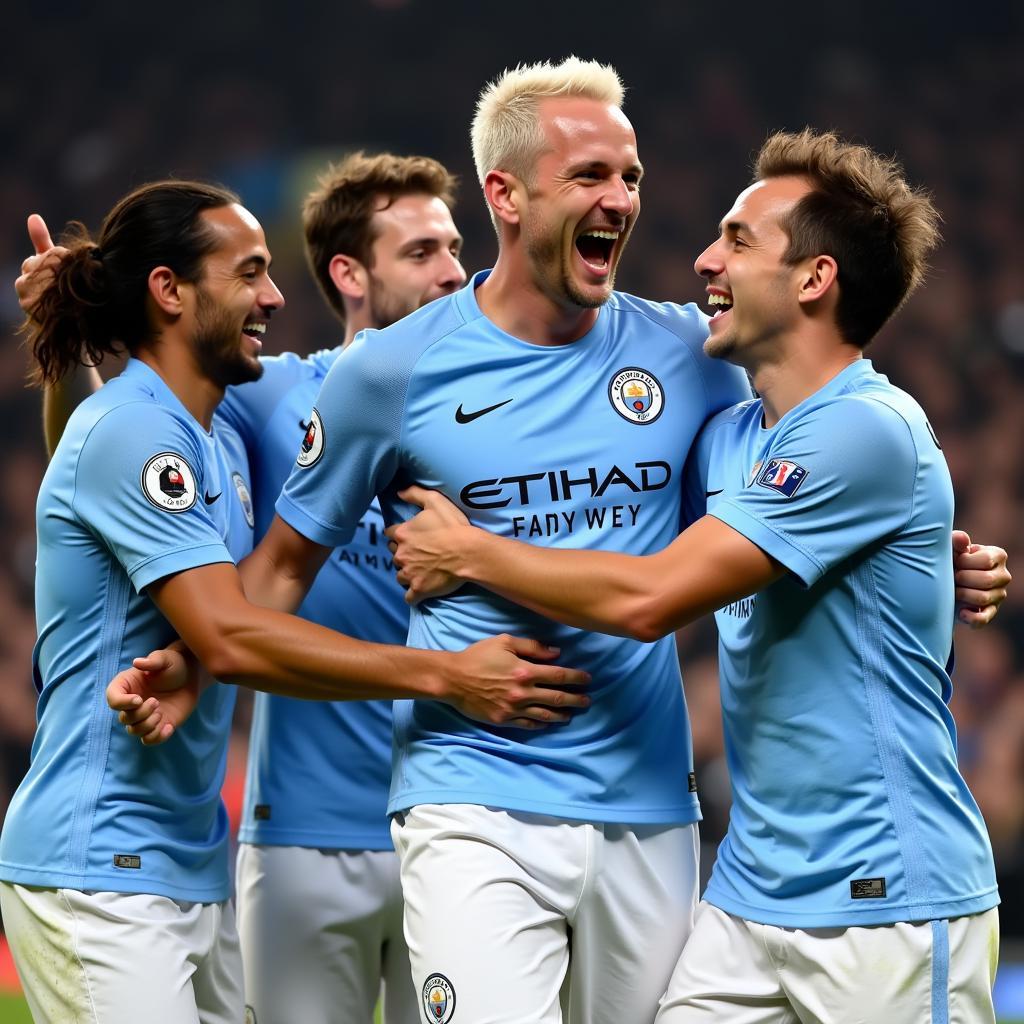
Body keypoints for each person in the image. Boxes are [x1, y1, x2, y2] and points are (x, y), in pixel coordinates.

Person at [385, 130, 1008, 1022]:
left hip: (886, 896)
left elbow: (649, 598)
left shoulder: (866, 428)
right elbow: (639, 530)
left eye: (740, 241)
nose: (707, 260)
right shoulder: (730, 438)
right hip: (749, 896)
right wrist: (930, 556)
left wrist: (469, 551)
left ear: (814, 279)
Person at [0, 181, 589, 1024]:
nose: (276, 297)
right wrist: (447, 675)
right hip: (103, 858)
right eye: (249, 274)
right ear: (169, 290)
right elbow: (233, 635)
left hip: (182, 860)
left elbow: (97, 478)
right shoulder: (145, 427)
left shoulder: (207, 440)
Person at [222, 152, 465, 1024]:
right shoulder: (272, 398)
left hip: (463, 829)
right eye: (422, 252)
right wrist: (64, 366)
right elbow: (117, 439)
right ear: (348, 273)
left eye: (454, 247)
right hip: (304, 834)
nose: (453, 271)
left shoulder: (505, 413)